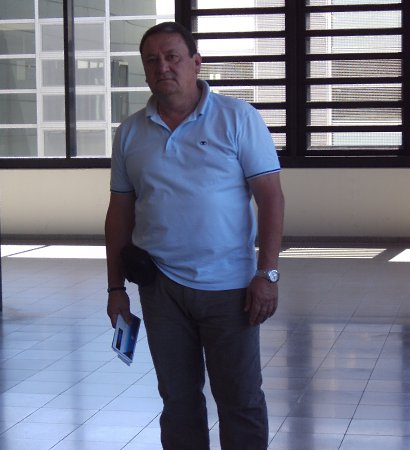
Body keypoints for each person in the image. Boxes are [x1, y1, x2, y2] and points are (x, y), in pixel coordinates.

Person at [105, 21, 284, 450]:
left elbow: (271, 198)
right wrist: (115, 289)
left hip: (230, 288)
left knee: (239, 399)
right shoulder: (130, 132)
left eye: (172, 57)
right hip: (160, 287)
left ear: (196, 62)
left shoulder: (237, 118)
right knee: (178, 400)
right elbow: (119, 213)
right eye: (152, 60)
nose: (162, 67)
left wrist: (267, 273)